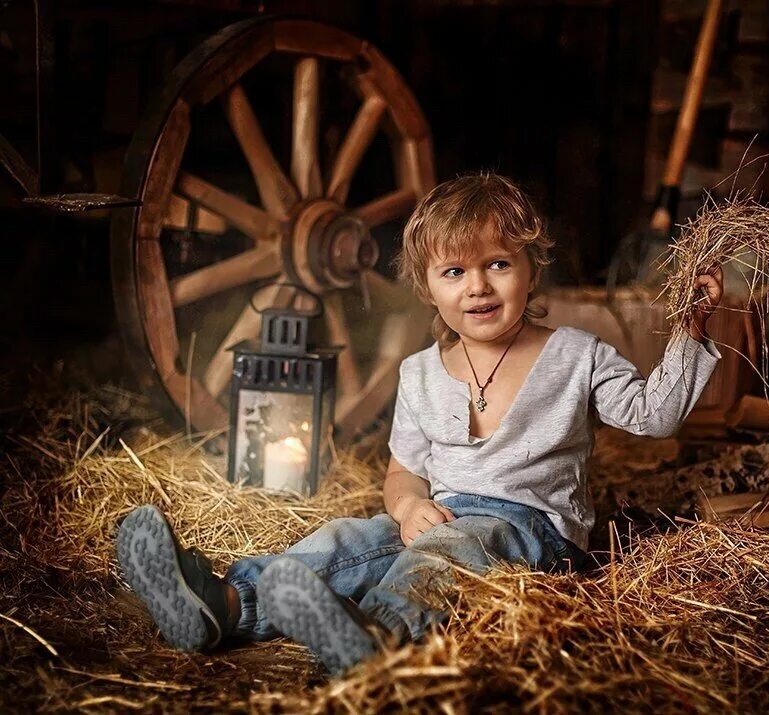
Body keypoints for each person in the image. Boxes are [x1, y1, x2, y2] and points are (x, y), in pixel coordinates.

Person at [116, 173, 723, 677]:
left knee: (448, 551)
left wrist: (690, 329)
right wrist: (406, 509)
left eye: (498, 264)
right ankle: (225, 602)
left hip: (533, 531)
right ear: (428, 287)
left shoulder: (575, 355)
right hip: (439, 513)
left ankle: (376, 637)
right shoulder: (420, 373)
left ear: (531, 271)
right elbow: (404, 472)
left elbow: (655, 417)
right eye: (454, 272)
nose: (478, 286)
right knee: (345, 541)